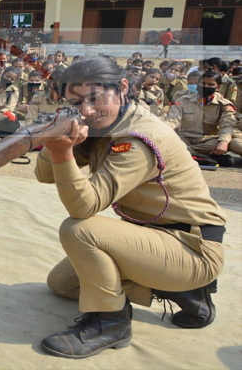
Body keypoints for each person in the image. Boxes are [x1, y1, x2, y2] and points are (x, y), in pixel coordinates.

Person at [37, 57, 226, 359]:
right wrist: (56, 139)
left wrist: (62, 151)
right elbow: (43, 175)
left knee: (79, 230)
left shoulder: (138, 137)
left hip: (192, 247)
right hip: (154, 239)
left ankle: (111, 323)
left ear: (122, 87)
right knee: (61, 284)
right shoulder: (110, 122)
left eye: (95, 98)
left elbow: (83, 207)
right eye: (76, 103)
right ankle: (182, 292)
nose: (87, 110)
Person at [164, 70, 239, 161]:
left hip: (208, 141)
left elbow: (227, 125)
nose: (205, 86)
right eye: (203, 83)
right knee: (169, 141)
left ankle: (189, 155)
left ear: (218, 87)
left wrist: (223, 142)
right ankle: (205, 157)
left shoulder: (224, 105)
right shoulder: (183, 100)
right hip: (185, 138)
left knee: (229, 142)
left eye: (211, 85)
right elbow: (172, 120)